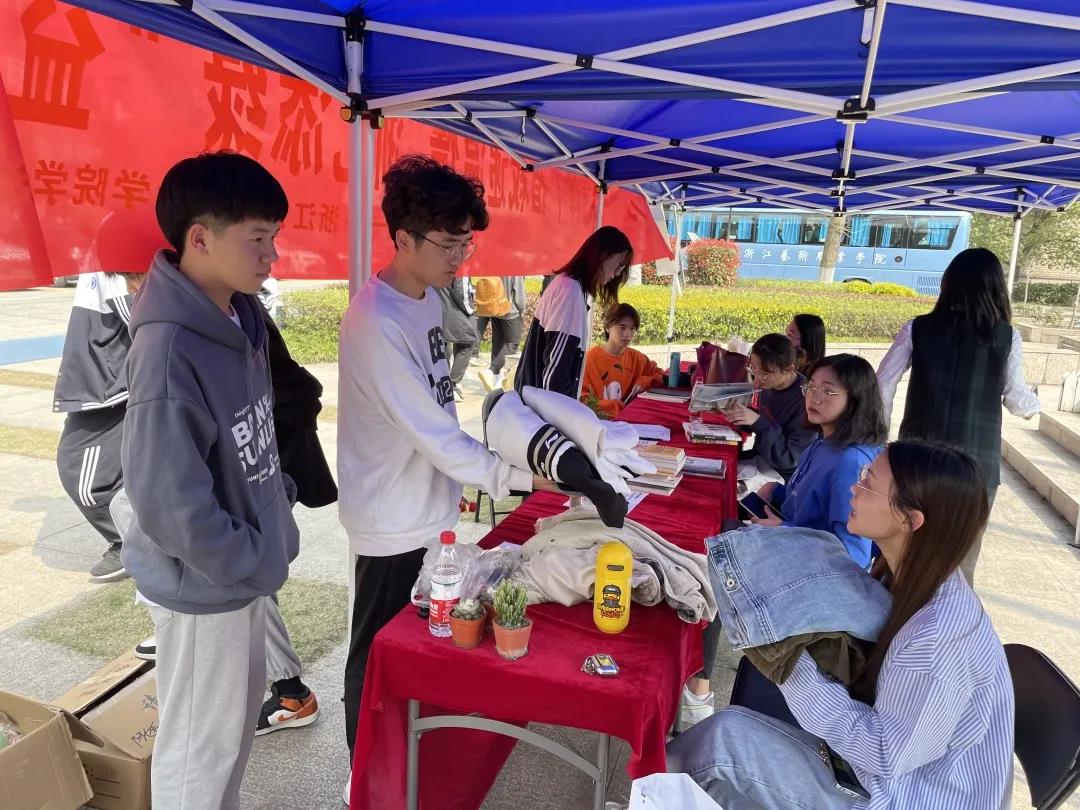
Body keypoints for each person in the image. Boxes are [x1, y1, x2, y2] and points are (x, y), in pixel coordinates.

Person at [337, 155, 554, 801]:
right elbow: (434, 434)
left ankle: (407, 765)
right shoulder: (374, 320)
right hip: (389, 517)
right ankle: (364, 778)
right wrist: (521, 478)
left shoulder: (429, 297)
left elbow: (443, 407)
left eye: (466, 242)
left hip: (429, 508)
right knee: (377, 654)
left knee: (419, 647)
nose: (461, 257)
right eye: (448, 243)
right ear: (402, 237)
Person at [668, 440, 1014, 810]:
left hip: (909, 795)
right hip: (884, 773)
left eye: (868, 483)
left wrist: (789, 662)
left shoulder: (940, 638)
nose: (854, 487)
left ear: (910, 520)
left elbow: (884, 755)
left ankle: (652, 782)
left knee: (722, 745)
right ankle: (659, 786)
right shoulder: (909, 575)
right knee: (719, 764)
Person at [120, 151, 299, 809]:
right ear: (200, 238)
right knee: (199, 752)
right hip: (205, 586)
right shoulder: (168, 347)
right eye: (258, 238)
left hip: (239, 573)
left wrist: (275, 512)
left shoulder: (238, 316)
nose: (272, 254)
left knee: (227, 742)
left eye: (273, 237)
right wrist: (246, 556)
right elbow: (168, 502)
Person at [877, 247, 1039, 584]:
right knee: (960, 558)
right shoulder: (1006, 336)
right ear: (996, 287)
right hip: (976, 465)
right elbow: (1017, 401)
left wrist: (881, 437)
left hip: (917, 460)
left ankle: (892, 610)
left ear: (948, 283)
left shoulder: (918, 328)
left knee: (902, 547)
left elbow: (883, 384)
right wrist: (1034, 403)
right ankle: (952, 615)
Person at [52, 209, 164, 581]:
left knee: (86, 480)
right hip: (102, 383)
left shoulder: (118, 227)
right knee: (123, 469)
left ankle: (133, 543)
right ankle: (141, 542)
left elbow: (145, 316)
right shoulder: (106, 232)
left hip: (110, 387)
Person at [753, 354, 888, 570]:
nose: (814, 398)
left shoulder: (850, 463)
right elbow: (811, 506)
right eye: (811, 387)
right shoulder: (823, 441)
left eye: (827, 391)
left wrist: (785, 531)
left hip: (809, 571)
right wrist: (776, 492)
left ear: (855, 399)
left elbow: (853, 556)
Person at [515, 226, 632, 398]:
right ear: (603, 255)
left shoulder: (569, 285)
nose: (616, 274)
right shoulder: (569, 291)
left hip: (539, 400)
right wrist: (561, 411)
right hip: (542, 404)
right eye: (619, 266)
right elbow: (556, 371)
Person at [727, 333, 817, 482]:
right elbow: (768, 422)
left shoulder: (806, 401)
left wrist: (758, 422)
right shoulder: (771, 385)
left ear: (789, 369)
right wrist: (743, 418)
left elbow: (788, 458)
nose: (756, 381)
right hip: (761, 458)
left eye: (765, 374)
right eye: (754, 370)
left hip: (783, 476)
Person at [580, 303, 663, 418]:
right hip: (597, 422)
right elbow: (581, 401)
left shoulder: (637, 358)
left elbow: (660, 374)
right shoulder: (590, 359)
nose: (627, 334)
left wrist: (645, 381)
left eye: (632, 329)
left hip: (630, 420)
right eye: (622, 327)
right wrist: (614, 407)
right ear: (607, 327)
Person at [476, 275, 527, 392]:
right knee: (512, 344)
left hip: (495, 309)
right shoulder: (515, 267)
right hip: (510, 311)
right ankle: (491, 371)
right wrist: (522, 309)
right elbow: (519, 293)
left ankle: (496, 381)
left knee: (498, 344)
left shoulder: (495, 265)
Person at [436, 275, 477, 401]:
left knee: (442, 347)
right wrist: (471, 309)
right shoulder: (461, 267)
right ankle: (453, 384)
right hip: (455, 312)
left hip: (438, 309)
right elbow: (461, 292)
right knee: (467, 344)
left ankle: (442, 382)